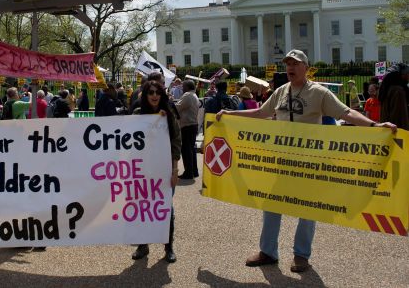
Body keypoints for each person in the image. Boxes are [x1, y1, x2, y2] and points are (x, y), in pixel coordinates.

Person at [216, 49, 396, 273]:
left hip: (310, 162)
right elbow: (261, 113)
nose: (290, 67)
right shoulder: (281, 91)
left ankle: (301, 255)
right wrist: (229, 114)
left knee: (308, 209)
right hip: (282, 160)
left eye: (295, 63)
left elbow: (346, 112)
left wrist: (374, 126)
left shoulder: (319, 93)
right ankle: (268, 252)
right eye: (288, 64)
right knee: (271, 204)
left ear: (306, 68)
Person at [131, 80, 181, 263]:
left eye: (157, 92)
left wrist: (175, 169)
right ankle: (142, 245)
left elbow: (176, 142)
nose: (154, 95)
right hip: (142, 170)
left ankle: (168, 247)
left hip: (164, 168)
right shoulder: (137, 114)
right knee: (142, 207)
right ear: (145, 95)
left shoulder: (168, 115)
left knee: (166, 207)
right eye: (150, 92)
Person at [175, 80, 201, 179]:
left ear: (187, 87)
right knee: (191, 149)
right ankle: (194, 171)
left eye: (183, 86)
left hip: (187, 125)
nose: (182, 88)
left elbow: (177, 107)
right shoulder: (194, 95)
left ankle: (188, 172)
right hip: (193, 124)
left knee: (186, 149)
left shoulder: (187, 95)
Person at [379, 63, 409, 130]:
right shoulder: (397, 90)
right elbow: (399, 115)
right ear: (403, 75)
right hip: (397, 132)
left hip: (387, 130)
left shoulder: (386, 88)